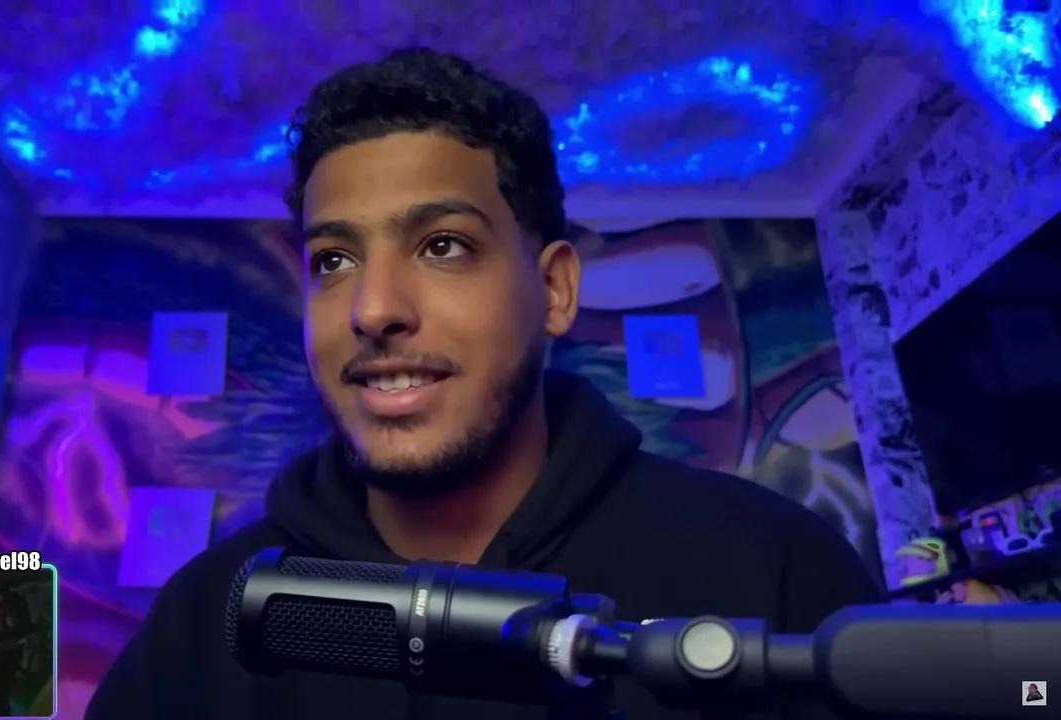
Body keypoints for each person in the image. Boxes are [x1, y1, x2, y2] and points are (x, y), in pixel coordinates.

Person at [85, 48, 883, 719]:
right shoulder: (203, 622)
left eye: (443, 246)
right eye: (334, 260)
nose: (373, 309)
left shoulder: (771, 569)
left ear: (556, 290)